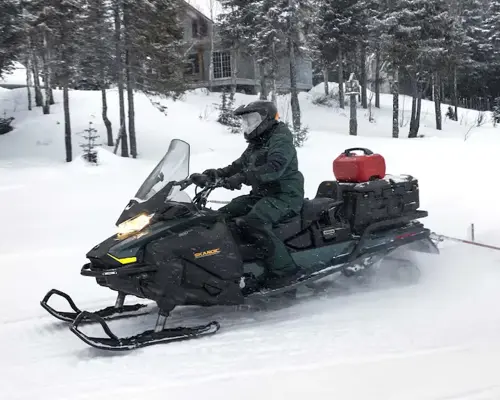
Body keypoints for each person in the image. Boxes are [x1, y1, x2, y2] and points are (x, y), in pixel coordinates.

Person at [192, 100, 305, 289]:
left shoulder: (280, 138)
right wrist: (216, 174)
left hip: (285, 195)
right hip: (261, 194)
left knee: (254, 222)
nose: (248, 125)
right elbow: (238, 164)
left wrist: (242, 178)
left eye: (252, 119)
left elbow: (275, 167)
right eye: (245, 121)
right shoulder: (258, 141)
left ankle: (285, 271)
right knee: (221, 216)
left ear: (266, 119)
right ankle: (232, 265)